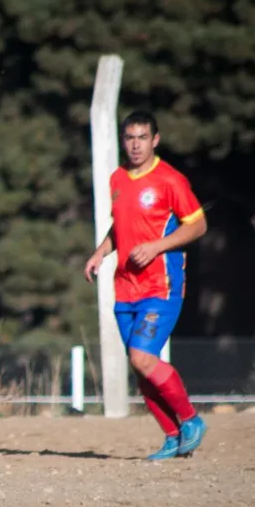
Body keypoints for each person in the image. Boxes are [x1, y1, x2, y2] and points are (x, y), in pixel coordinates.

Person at [84, 109, 208, 460]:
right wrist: (100, 253)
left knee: (142, 357)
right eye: (129, 138)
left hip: (161, 287)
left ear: (155, 139)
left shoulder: (170, 180)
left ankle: (191, 420)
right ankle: (172, 436)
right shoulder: (118, 179)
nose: (135, 144)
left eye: (142, 137)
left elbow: (197, 226)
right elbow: (120, 229)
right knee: (141, 368)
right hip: (126, 288)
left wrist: (156, 246)